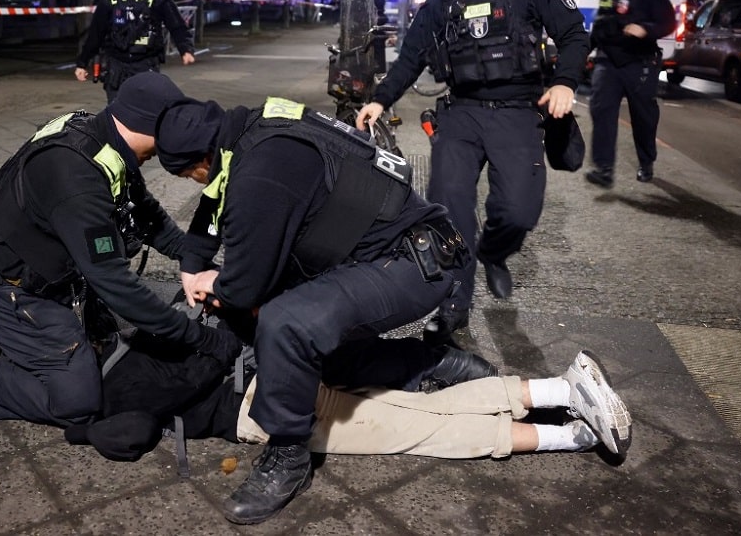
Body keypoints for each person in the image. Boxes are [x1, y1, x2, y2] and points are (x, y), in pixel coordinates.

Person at [152, 94, 496, 524]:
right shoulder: (250, 128)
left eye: (189, 174)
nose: (194, 183)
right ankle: (432, 363)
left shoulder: (260, 175)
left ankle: (288, 457)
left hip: (413, 264)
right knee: (300, 354)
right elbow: (215, 195)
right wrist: (192, 262)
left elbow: (243, 287)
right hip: (395, 249)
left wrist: (212, 280)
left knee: (286, 323)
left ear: (203, 157)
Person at [0, 72, 240, 427]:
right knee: (78, 402)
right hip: (8, 290)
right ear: (150, 126)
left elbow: (150, 219)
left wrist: (203, 264)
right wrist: (201, 338)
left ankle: (34, 346)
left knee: (106, 353)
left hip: (54, 278)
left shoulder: (105, 138)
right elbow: (114, 283)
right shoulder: (75, 177)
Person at [356, 0, 590, 343]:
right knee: (447, 210)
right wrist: (381, 100)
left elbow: (575, 34)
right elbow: (412, 54)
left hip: (518, 112)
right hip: (461, 113)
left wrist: (564, 83)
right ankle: (454, 304)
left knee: (518, 211)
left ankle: (495, 251)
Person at [69, 346, 632, 471]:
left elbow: (134, 433)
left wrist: (86, 429)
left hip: (265, 412)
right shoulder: (142, 339)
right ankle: (565, 404)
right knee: (425, 411)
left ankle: (569, 416)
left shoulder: (117, 387)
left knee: (425, 433)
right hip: (279, 374)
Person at [585, 0, 676, 188]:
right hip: (608, 61)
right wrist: (584, 51)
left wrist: (645, 29)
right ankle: (604, 168)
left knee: (643, 116)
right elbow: (600, 26)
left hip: (640, 62)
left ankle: (646, 162)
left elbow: (669, 23)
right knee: (601, 110)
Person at [74, 0, 195, 103]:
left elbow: (177, 25)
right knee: (118, 115)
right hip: (116, 66)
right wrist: (82, 62)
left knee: (148, 113)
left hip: (146, 64)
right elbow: (96, 32)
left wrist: (185, 49)